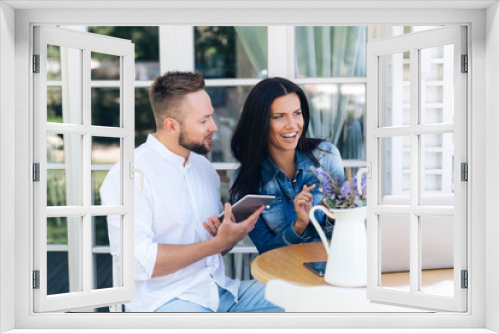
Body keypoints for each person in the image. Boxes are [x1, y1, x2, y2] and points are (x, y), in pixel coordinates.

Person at [100, 71, 282, 313]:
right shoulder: (130, 174)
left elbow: (215, 247)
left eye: (212, 117)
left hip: (220, 293)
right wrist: (216, 245)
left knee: (298, 298)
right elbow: (137, 262)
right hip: (166, 302)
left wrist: (230, 236)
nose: (214, 127)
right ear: (171, 126)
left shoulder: (204, 169)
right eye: (204, 121)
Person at [228, 77, 345, 254]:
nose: (292, 125)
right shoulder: (245, 181)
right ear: (259, 123)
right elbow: (266, 251)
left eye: (297, 113)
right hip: (283, 276)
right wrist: (299, 226)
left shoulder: (326, 156)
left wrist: (332, 215)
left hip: (333, 269)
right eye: (278, 117)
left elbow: (347, 231)